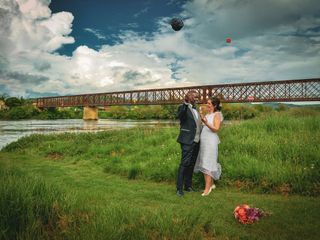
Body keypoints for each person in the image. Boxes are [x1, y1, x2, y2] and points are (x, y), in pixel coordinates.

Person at [194, 96, 223, 196]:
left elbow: (216, 129)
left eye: (209, 103)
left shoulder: (217, 114)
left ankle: (207, 189)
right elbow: (205, 125)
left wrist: (206, 122)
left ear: (214, 105)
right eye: (207, 103)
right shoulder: (208, 114)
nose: (207, 104)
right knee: (205, 161)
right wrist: (202, 118)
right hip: (204, 141)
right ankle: (211, 184)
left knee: (208, 162)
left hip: (211, 141)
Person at [176, 90, 202, 197]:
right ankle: (179, 189)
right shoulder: (183, 108)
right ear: (189, 97)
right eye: (195, 97)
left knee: (191, 164)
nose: (197, 98)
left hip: (196, 141)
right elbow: (180, 116)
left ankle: (188, 186)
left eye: (197, 97)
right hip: (187, 140)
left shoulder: (196, 109)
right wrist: (185, 104)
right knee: (184, 164)